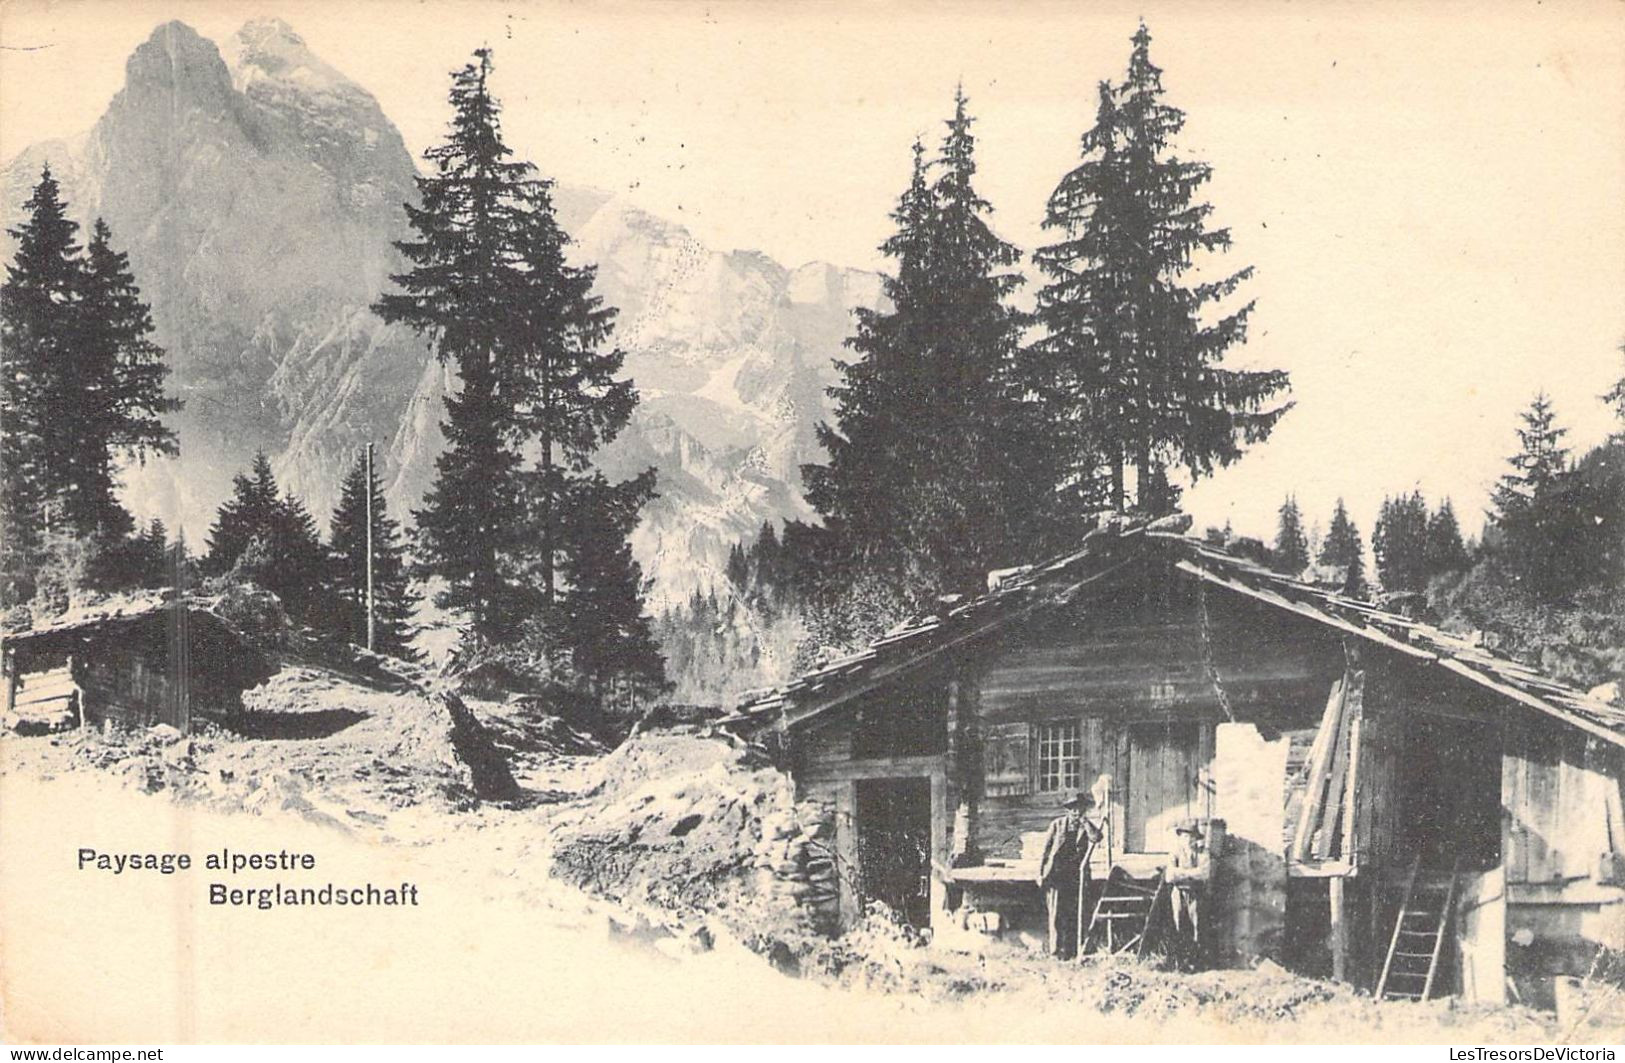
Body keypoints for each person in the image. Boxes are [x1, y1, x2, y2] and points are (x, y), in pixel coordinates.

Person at [1036, 790, 1103, 959]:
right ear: (1068, 810)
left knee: (1076, 913)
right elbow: (1045, 851)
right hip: (1057, 876)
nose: (1076, 812)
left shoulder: (1085, 827)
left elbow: (1097, 838)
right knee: (1057, 914)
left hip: (1077, 877)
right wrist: (1040, 873)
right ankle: (1055, 951)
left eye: (1080, 809)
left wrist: (1086, 823)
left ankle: (1074, 951)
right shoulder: (1057, 825)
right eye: (1073, 809)